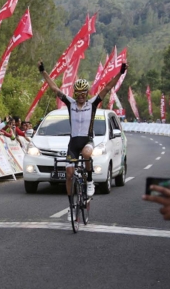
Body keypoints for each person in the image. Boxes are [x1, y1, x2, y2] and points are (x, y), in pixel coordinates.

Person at [39, 60, 126, 216]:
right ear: (75, 94)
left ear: (87, 93)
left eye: (83, 93)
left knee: (86, 155)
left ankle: (90, 180)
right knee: (69, 175)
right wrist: (43, 72)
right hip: (73, 143)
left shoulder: (92, 104)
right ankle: (72, 206)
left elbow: (107, 87)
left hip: (87, 140)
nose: (80, 96)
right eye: (77, 93)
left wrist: (120, 72)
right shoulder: (70, 103)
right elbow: (54, 88)